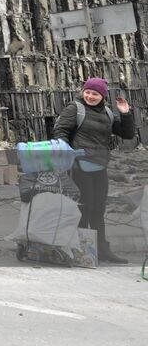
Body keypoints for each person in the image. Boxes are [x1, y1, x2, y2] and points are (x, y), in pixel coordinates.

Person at [52, 77, 136, 264]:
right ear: (83, 92)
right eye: (87, 92)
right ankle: (81, 250)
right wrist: (68, 152)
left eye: (95, 93)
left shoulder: (107, 112)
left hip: (99, 164)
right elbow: (60, 131)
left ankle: (103, 250)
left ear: (102, 96)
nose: (90, 96)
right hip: (78, 165)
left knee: (98, 209)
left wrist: (125, 113)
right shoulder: (75, 108)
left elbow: (127, 134)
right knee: (84, 208)